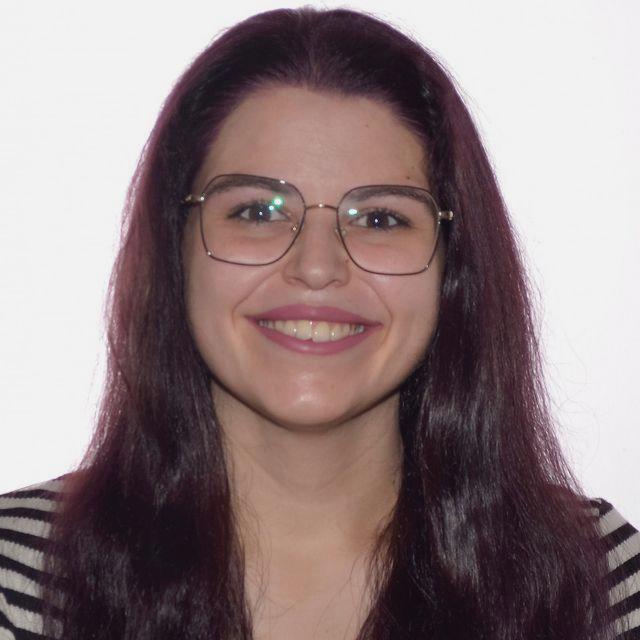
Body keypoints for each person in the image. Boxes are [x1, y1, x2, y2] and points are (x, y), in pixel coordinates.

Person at [0, 6, 638, 640]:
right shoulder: (16, 581)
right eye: (258, 210)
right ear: (177, 247)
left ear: (454, 265)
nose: (316, 267)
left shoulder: (600, 590)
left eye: (381, 218)